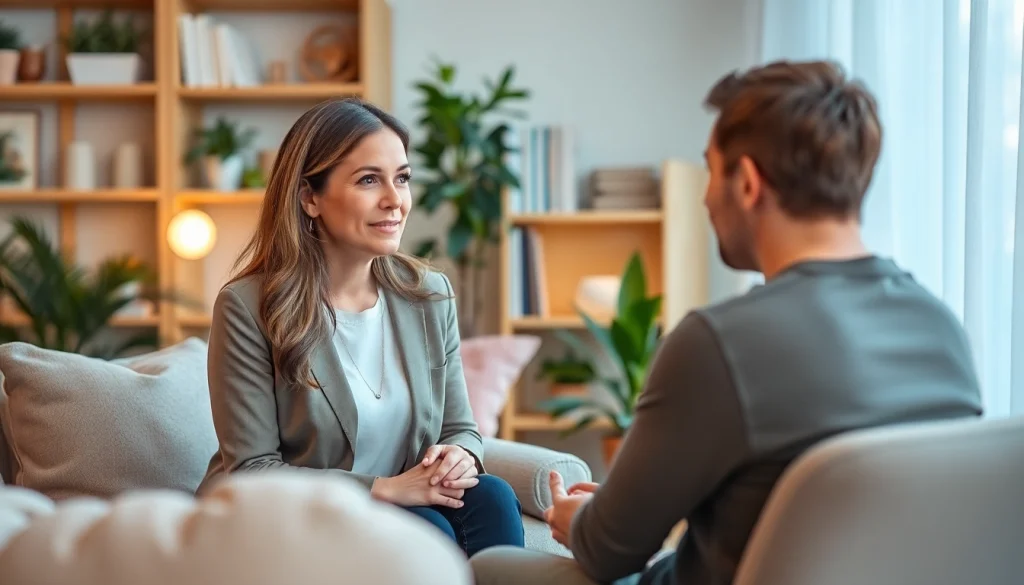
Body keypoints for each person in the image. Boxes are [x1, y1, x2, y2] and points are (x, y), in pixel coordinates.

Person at [470, 59, 983, 585]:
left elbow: (608, 554)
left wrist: (580, 521)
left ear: (749, 184)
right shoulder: (941, 329)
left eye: (712, 171)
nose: (705, 196)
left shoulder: (719, 343)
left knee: (488, 566)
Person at [197, 97, 525, 558]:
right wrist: (384, 489)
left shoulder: (429, 295)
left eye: (402, 178)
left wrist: (459, 456)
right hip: (287, 518)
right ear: (309, 198)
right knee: (428, 527)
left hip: (402, 505)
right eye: (369, 180)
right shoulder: (248, 307)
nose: (395, 201)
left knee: (491, 497)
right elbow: (253, 471)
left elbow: (459, 428)